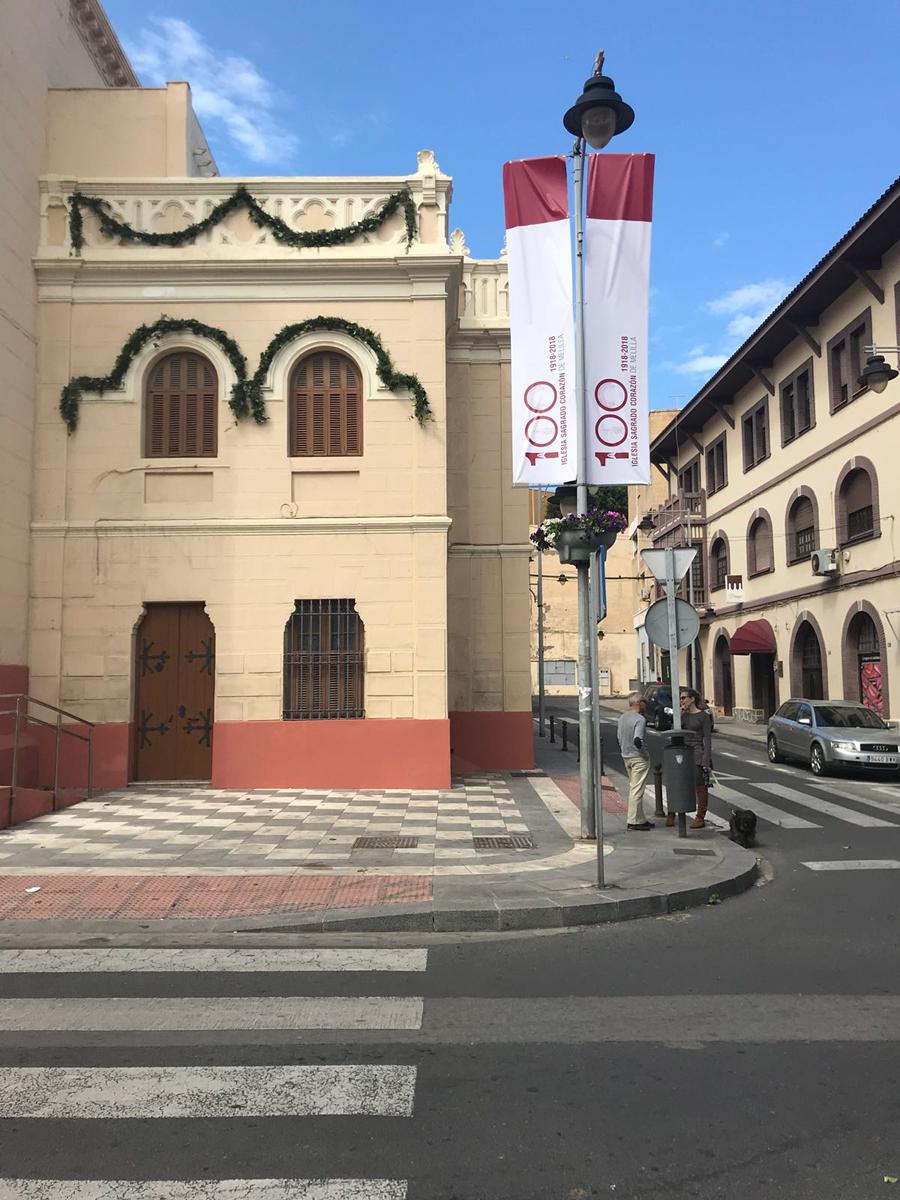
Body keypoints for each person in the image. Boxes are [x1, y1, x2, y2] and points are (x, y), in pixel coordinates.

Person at [665, 687, 713, 828]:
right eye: (680, 698)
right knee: (677, 782)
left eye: (684, 698)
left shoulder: (703, 716)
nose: (682, 701)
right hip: (682, 751)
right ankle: (672, 812)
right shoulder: (683, 715)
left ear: (692, 699)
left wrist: (706, 760)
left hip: (697, 751)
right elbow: (674, 732)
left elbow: (707, 740)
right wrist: (679, 715)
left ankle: (700, 816)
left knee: (700, 784)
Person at [617, 691, 654, 831]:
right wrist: (645, 754)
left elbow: (619, 737)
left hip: (626, 756)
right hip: (638, 757)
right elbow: (638, 740)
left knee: (635, 787)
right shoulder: (640, 719)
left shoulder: (622, 717)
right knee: (637, 790)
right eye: (644, 702)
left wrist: (623, 750)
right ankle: (633, 821)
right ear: (639, 703)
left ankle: (640, 818)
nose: (646, 705)